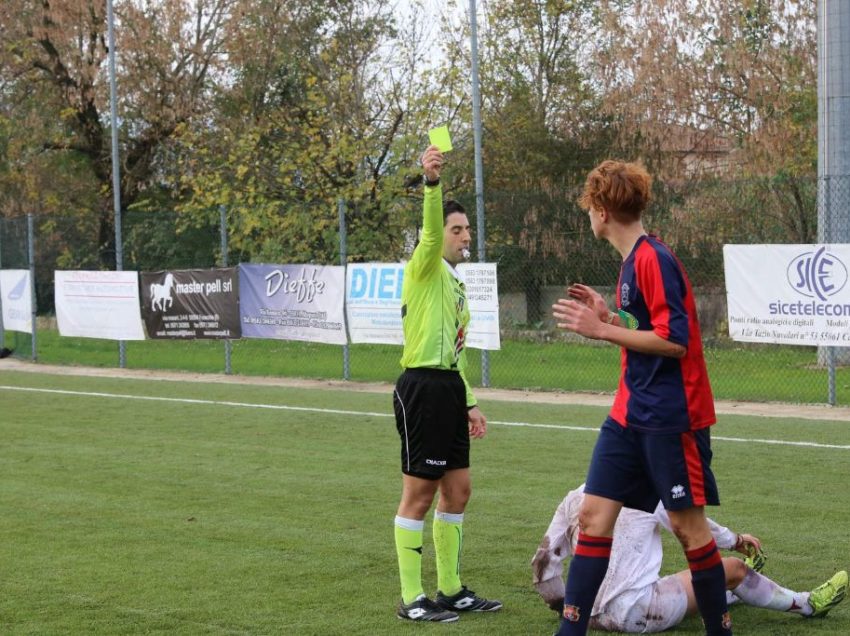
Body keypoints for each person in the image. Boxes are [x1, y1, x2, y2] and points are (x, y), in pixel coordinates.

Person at [551, 160, 731, 635]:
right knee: (592, 519)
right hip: (629, 414)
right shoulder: (632, 262)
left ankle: (721, 629)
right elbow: (650, 328)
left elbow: (676, 341)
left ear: (603, 209)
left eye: (590, 206)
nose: (588, 215)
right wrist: (612, 320)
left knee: (690, 530)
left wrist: (600, 333)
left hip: (671, 419)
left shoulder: (653, 258)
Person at [391, 145, 502, 622]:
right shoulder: (424, 265)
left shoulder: (455, 285)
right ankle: (413, 598)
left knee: (458, 490)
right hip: (421, 388)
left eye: (466, 229)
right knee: (419, 494)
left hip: (449, 390)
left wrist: (470, 402)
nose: (464, 236)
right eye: (457, 229)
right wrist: (431, 184)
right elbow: (431, 228)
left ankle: (451, 589)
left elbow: (454, 352)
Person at [532, 484, 848, 632]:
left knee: (698, 578)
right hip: (638, 612)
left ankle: (734, 593)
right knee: (730, 569)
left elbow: (543, 562)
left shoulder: (575, 496)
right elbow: (696, 529)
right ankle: (808, 604)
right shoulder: (645, 492)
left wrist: (564, 608)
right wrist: (736, 540)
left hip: (586, 615)